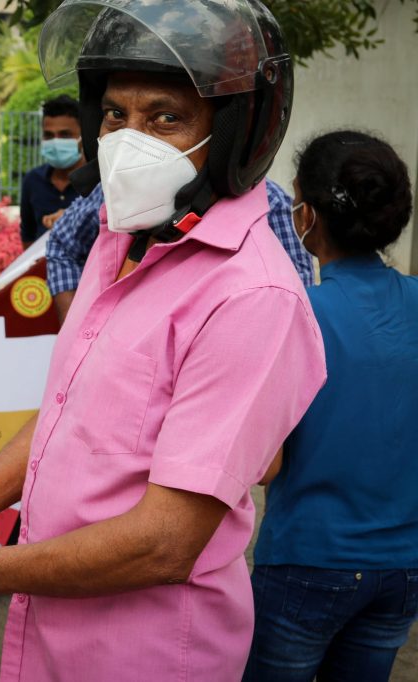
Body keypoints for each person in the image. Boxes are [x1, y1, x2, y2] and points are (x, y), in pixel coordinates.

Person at [0, 2, 327, 680]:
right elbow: (70, 416)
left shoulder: (250, 296)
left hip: (145, 652)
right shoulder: (119, 236)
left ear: (234, 131)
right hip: (50, 628)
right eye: (114, 114)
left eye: (165, 117)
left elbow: (165, 542)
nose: (130, 139)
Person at [244, 131, 417, 682]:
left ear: (309, 216)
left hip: (309, 561)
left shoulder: (297, 314)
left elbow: (264, 465)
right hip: (404, 566)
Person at [47, 178, 315, 321]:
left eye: (168, 118)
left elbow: (292, 308)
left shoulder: (271, 205)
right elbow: (62, 243)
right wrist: (78, 328)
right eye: (116, 115)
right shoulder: (116, 188)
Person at [19, 95, 84, 249]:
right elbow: (28, 235)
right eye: (48, 135)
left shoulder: (99, 181)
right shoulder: (32, 180)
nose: (55, 142)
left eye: (65, 135)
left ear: (83, 136)